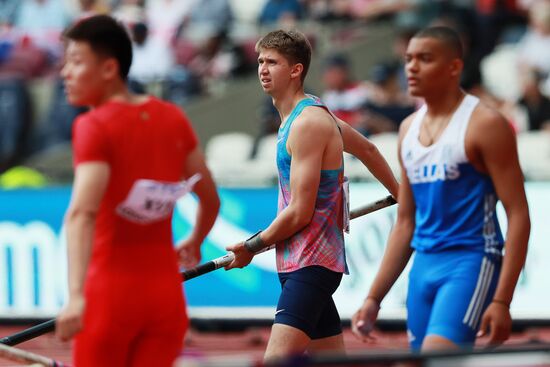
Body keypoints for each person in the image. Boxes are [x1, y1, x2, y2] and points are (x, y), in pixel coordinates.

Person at [54, 15, 220, 367]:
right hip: (166, 298)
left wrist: (75, 297)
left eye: (76, 61)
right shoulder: (172, 118)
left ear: (109, 68)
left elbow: (82, 213)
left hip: (109, 298)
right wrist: (195, 240)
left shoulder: (93, 126)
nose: (65, 72)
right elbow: (210, 198)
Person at [351, 26, 530, 351]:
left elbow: (518, 214)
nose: (412, 68)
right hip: (423, 267)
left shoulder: (485, 124)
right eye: (408, 59)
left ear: (454, 67)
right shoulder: (408, 129)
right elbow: (405, 222)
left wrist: (502, 300)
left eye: (425, 59)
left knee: (437, 357)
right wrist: (373, 297)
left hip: (471, 260)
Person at [224, 30, 399, 360]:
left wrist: (251, 247)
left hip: (312, 263)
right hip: (297, 261)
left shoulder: (309, 123)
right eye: (260, 61)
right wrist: (400, 193)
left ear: (296, 70)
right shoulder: (304, 117)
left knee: (276, 361)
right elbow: (368, 149)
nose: (263, 68)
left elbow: (300, 212)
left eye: (272, 62)